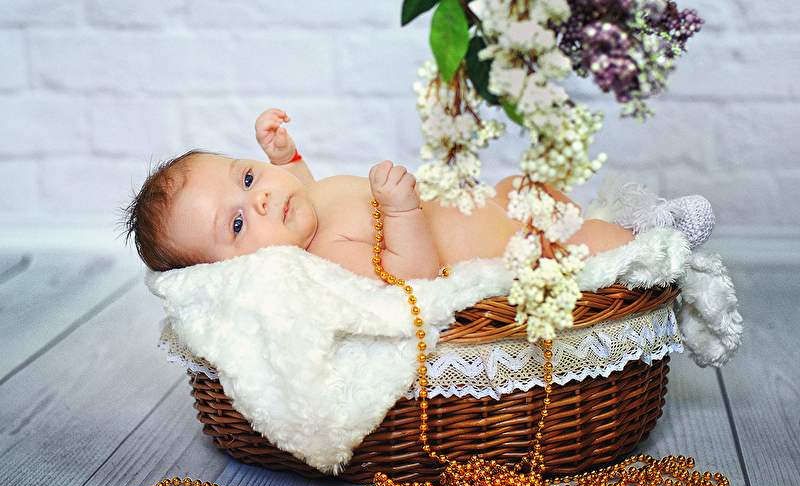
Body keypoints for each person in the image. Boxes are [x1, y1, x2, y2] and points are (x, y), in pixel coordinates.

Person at [124, 108, 640, 278]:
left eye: (247, 178)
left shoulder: (300, 212)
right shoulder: (326, 257)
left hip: (491, 205)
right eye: (237, 224)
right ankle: (645, 241)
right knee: (590, 244)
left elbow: (307, 192)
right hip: (507, 248)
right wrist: (401, 210)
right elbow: (414, 278)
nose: (259, 198)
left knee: (521, 185)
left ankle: (579, 214)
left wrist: (287, 160)